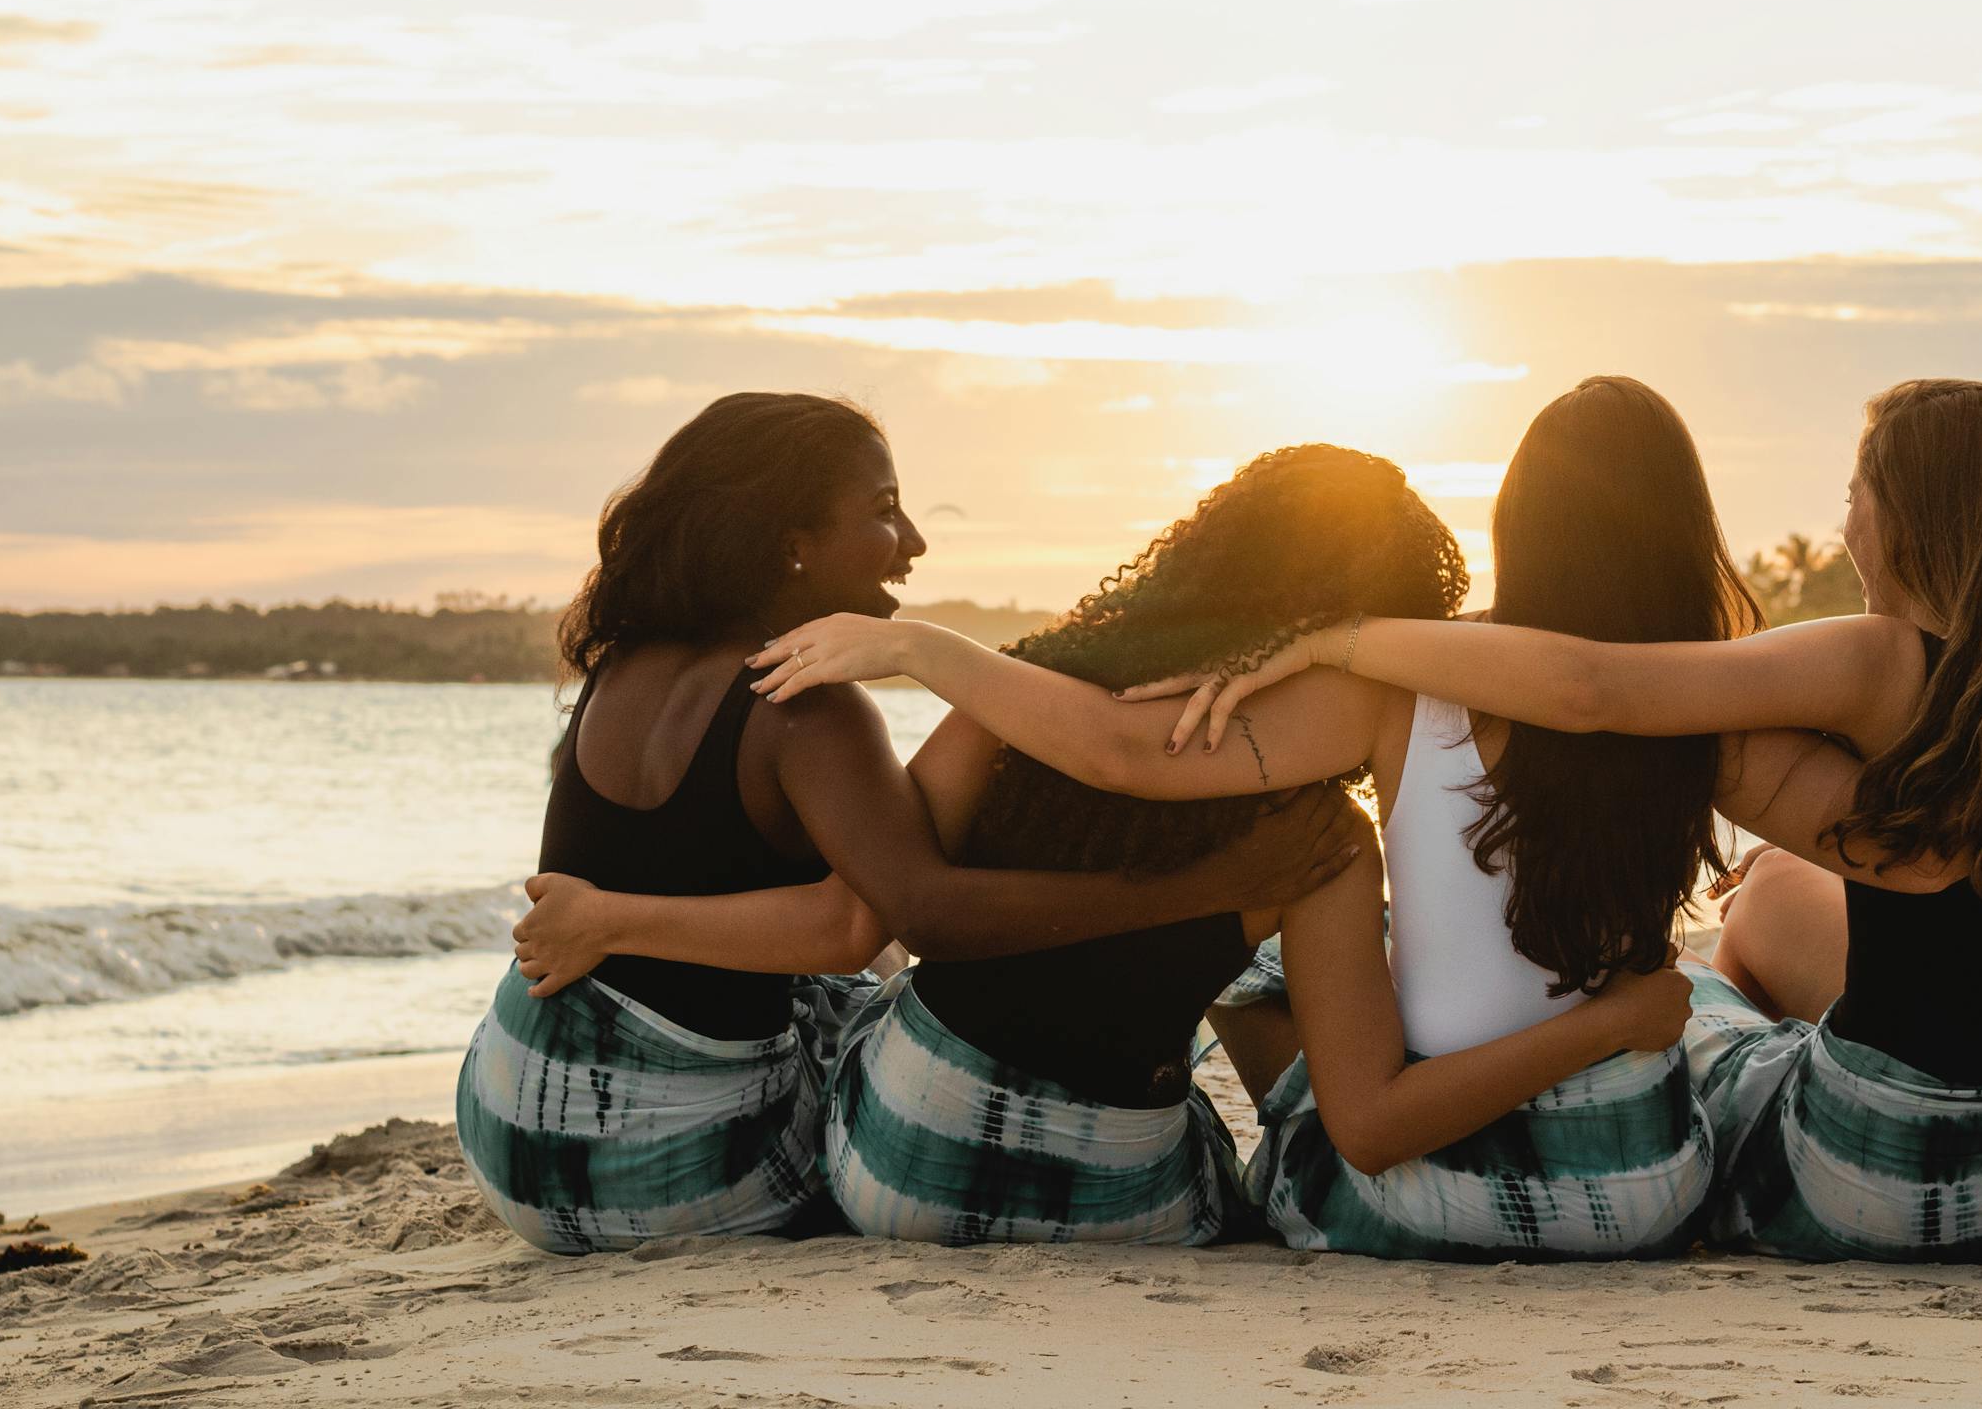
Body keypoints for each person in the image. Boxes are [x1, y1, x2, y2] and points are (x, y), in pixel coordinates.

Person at [752, 383, 1859, 1260]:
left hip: (1399, 1205)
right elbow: (1884, 845)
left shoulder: (1386, 691)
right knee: (1706, 1004)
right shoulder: (1711, 712)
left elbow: (1124, 753)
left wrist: (926, 650)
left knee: (1270, 992)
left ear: (1518, 523)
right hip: (1638, 1200)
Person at [1120, 378, 1982, 1263]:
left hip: (1865, 1174)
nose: (1843, 525)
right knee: (1777, 894)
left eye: (1854, 492)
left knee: (1709, 1023)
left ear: (1917, 512)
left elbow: (1595, 690)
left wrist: (1340, 638)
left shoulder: (1877, 658)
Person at [527, 441, 1694, 1249]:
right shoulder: (1317, 839)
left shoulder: (1023, 684)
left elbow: (871, 898)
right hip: (1112, 1192)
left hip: (890, 1168)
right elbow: (1367, 1121)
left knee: (860, 1015)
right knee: (1233, 1068)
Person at [459, 394, 1358, 1254]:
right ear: (792, 543)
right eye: (886, 510)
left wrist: (614, 920)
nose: (915, 542)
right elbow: (891, 920)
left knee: (843, 992)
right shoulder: (808, 710)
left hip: (511, 1125)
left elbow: (828, 912)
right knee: (879, 1017)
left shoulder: (623, 667)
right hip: (666, 1177)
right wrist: (1218, 887)